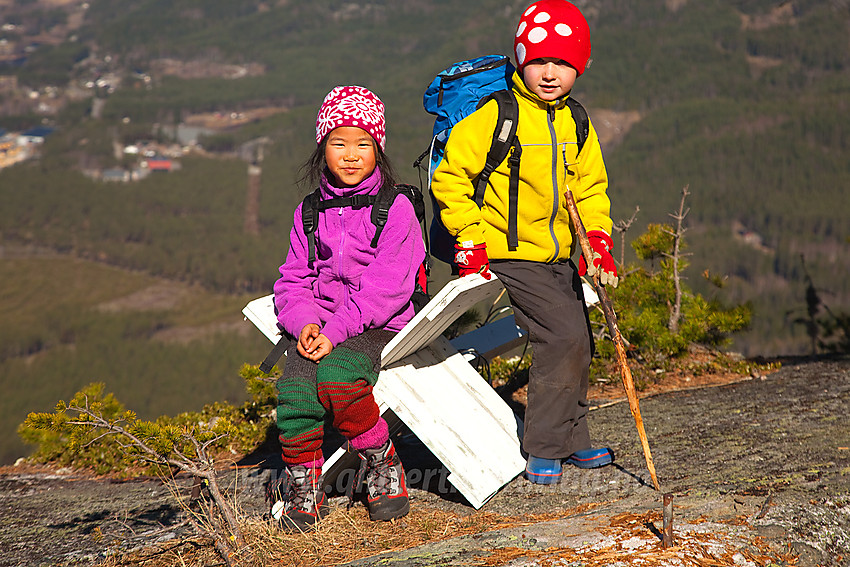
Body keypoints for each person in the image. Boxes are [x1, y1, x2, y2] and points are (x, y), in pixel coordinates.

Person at [431, 0, 618, 485]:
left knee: (581, 341)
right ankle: (543, 446)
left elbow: (592, 188)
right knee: (562, 337)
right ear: (519, 61)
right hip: (511, 254)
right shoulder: (499, 115)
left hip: (559, 254)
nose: (550, 73)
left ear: (581, 66)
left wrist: (597, 241)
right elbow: (449, 176)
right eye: (538, 61)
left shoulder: (576, 121)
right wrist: (470, 237)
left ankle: (573, 439)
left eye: (562, 62)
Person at [269, 86, 425, 530]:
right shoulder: (309, 212)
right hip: (321, 326)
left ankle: (381, 463)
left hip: (379, 323)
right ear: (323, 148)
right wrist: (304, 323)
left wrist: (335, 331)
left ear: (378, 148)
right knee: (295, 391)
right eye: (339, 142)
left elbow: (385, 290)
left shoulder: (394, 210)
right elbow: (292, 279)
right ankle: (303, 484)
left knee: (339, 378)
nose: (351, 154)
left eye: (363, 143)